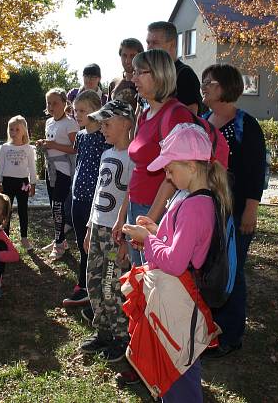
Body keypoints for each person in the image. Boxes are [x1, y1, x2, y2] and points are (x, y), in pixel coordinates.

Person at [122, 124, 232, 402]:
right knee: (174, 371)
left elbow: (174, 262)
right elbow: (182, 246)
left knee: (177, 374)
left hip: (182, 306)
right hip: (180, 301)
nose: (167, 176)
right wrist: (157, 231)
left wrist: (148, 240)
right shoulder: (194, 198)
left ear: (192, 166)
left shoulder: (196, 205)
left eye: (171, 170)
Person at [200, 63, 267, 358]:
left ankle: (231, 334)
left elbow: (256, 173)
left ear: (225, 86)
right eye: (203, 82)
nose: (204, 87)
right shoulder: (202, 121)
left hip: (236, 214)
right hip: (205, 211)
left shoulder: (245, 125)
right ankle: (209, 328)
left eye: (209, 83)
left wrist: (250, 211)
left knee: (231, 273)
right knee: (208, 271)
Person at [114, 49, 195, 267]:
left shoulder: (175, 114)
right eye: (134, 72)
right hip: (137, 207)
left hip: (157, 212)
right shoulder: (145, 114)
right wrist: (122, 216)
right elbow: (137, 169)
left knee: (154, 279)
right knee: (141, 278)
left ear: (159, 75)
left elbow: (174, 175)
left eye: (141, 72)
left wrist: (148, 220)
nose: (133, 78)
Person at [78, 100, 134, 363]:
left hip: (115, 234)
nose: (102, 129)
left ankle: (121, 336)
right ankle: (103, 332)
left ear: (126, 123)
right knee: (94, 283)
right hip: (97, 227)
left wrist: (123, 231)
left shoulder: (135, 157)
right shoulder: (106, 153)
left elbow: (131, 197)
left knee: (112, 286)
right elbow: (99, 192)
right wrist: (90, 225)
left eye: (107, 123)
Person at [63, 90, 109, 308]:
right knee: (81, 242)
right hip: (78, 196)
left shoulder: (103, 136)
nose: (78, 114)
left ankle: (90, 285)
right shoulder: (80, 136)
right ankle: (83, 284)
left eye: (82, 110)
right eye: (75, 110)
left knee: (91, 244)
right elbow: (79, 162)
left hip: (95, 199)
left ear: (96, 111)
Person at [36, 88, 79, 260]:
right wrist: (43, 144)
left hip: (64, 171)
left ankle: (59, 243)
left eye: (55, 102)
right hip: (50, 169)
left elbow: (76, 148)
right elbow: (51, 143)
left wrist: (53, 145)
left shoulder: (70, 123)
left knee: (58, 206)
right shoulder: (49, 122)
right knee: (54, 207)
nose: (51, 106)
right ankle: (59, 239)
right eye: (49, 103)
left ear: (64, 103)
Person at [0, 115, 37, 251]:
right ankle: (5, 238)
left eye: (17, 130)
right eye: (11, 130)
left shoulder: (28, 149)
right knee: (6, 210)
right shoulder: (5, 148)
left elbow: (32, 167)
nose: (13, 133)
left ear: (24, 131)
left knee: (23, 210)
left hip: (23, 183)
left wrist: (33, 183)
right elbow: (0, 166)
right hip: (7, 182)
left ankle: (24, 237)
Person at [146, 21, 202, 114]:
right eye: (148, 42)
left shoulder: (185, 75)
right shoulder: (148, 74)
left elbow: (189, 118)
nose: (149, 48)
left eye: (155, 43)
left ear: (172, 44)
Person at [107, 38, 144, 107]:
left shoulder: (146, 83)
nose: (128, 61)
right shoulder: (114, 83)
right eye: (124, 55)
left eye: (132, 56)